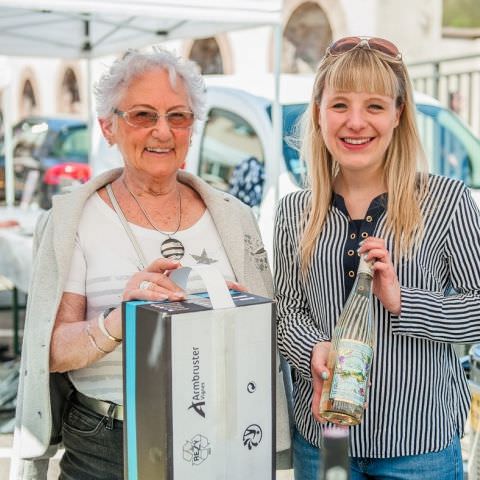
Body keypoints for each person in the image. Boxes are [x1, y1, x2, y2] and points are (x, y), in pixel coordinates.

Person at [11, 47, 290, 479]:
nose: (163, 131)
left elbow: (266, 335)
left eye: (178, 116)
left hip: (221, 436)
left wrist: (236, 320)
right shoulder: (76, 220)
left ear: (192, 129)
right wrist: (119, 322)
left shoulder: (235, 218)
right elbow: (51, 352)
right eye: (143, 115)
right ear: (108, 127)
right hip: (108, 443)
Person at [274, 36, 480, 480]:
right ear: (318, 111)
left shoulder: (446, 200)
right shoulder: (295, 211)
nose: (355, 122)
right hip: (324, 440)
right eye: (340, 105)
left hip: (418, 447)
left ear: (398, 114)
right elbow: (286, 309)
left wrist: (403, 299)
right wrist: (313, 349)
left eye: (374, 106)